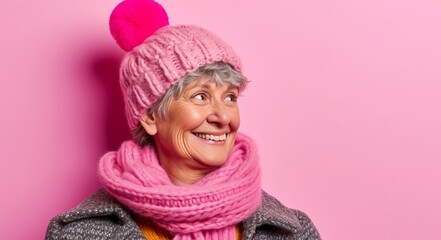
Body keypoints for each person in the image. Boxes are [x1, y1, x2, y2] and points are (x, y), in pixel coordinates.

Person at [46, 0, 321, 239]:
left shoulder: (291, 231)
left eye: (230, 97)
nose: (223, 116)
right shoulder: (75, 232)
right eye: (201, 96)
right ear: (151, 116)